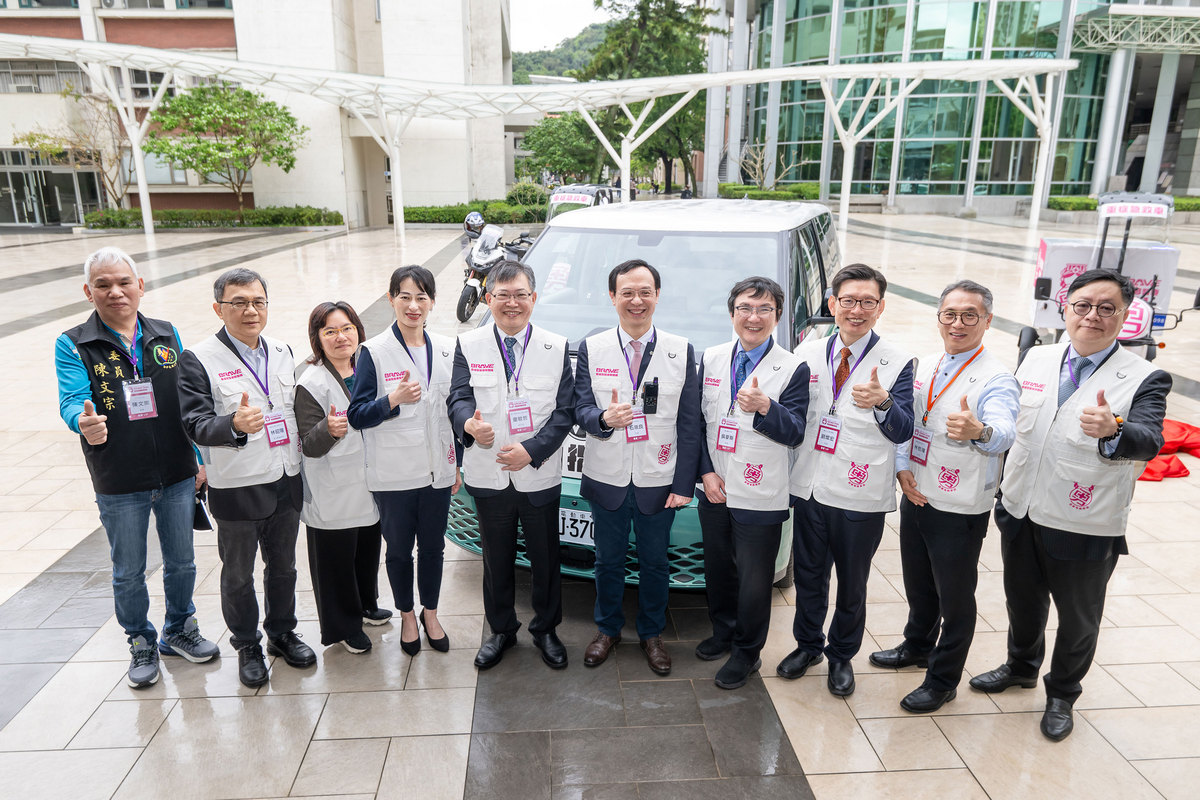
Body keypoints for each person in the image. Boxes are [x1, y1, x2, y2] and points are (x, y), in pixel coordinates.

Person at [970, 269, 1170, 742]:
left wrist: (1116, 429)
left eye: (1107, 308)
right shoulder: (1036, 358)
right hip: (1021, 509)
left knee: (1078, 617)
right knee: (1022, 601)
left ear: (1125, 316)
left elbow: (1150, 440)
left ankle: (1062, 694)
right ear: (1066, 309)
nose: (1092, 316)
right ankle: (1021, 667)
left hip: (1085, 521)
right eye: (1083, 305)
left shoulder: (1144, 376)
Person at [55, 247, 218, 689]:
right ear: (88, 291)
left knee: (182, 561)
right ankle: (141, 641)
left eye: (124, 282)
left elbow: (187, 400)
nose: (115, 291)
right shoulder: (74, 343)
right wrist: (82, 422)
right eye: (103, 284)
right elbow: (72, 400)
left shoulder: (166, 333)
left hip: (177, 471)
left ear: (140, 286)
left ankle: (179, 629)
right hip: (119, 476)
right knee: (128, 569)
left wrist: (199, 458)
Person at [868, 280, 1019, 712]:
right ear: (938, 318)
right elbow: (910, 422)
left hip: (959, 504)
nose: (958, 323)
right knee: (918, 582)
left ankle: (943, 679)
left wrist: (980, 432)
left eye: (970, 315)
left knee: (954, 596)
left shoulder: (996, 378)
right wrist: (901, 467)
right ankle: (917, 645)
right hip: (918, 492)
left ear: (987, 321)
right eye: (950, 314)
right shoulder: (929, 363)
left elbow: (1004, 430)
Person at [780, 263, 915, 696]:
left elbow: (903, 430)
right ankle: (807, 646)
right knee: (809, 576)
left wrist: (884, 402)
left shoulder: (897, 362)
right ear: (832, 303)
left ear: (880, 307)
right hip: (810, 487)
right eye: (849, 300)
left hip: (860, 493)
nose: (857, 310)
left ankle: (841, 655)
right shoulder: (805, 354)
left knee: (852, 583)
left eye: (867, 302)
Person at [177, 267, 315, 688]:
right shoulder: (198, 358)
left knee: (284, 567)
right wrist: (233, 424)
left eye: (258, 302)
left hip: (285, 479)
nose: (250, 310)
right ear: (218, 308)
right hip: (238, 487)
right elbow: (194, 423)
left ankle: (282, 633)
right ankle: (246, 644)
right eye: (238, 302)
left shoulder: (282, 349)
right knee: (238, 574)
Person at [573, 259, 702, 676]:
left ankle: (651, 633)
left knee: (655, 563)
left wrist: (683, 484)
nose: (636, 300)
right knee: (607, 561)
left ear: (657, 295)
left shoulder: (680, 350)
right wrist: (602, 419)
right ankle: (607, 630)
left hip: (658, 479)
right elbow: (580, 407)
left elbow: (689, 423)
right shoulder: (593, 347)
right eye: (627, 292)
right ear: (612, 297)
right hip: (607, 476)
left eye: (645, 292)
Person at [447, 260, 574, 670]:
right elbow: (458, 397)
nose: (512, 303)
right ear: (488, 299)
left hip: (538, 474)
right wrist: (468, 424)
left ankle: (546, 629)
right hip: (489, 473)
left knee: (545, 558)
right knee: (495, 559)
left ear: (534, 298)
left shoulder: (556, 347)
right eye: (503, 295)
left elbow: (564, 412)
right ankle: (501, 629)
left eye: (520, 295)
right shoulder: (469, 345)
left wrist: (532, 450)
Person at [695, 277, 809, 689]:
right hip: (715, 486)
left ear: (777, 316)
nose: (753, 317)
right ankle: (723, 631)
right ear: (732, 314)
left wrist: (766, 407)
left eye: (764, 310)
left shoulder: (792, 368)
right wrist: (705, 472)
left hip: (761, 493)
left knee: (755, 580)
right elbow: (696, 423)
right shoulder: (711, 358)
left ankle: (747, 653)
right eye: (745, 308)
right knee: (718, 569)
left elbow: (795, 431)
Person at [348, 266, 460, 657]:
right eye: (405, 297)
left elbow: (455, 411)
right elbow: (357, 415)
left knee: (433, 548)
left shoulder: (446, 348)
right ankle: (407, 615)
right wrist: (392, 400)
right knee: (398, 551)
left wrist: (457, 462)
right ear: (391, 298)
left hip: (437, 472)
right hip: (394, 475)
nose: (414, 306)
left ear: (432, 302)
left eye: (421, 297)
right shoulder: (374, 352)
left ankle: (431, 612)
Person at [295, 301, 387, 655]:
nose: (341, 337)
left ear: (358, 331)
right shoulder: (312, 382)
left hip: (367, 481)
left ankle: (366, 605)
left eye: (347, 328)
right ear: (317, 338)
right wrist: (329, 429)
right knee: (335, 562)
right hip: (331, 488)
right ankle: (344, 625)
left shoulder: (367, 367)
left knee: (366, 550)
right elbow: (308, 443)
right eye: (330, 331)